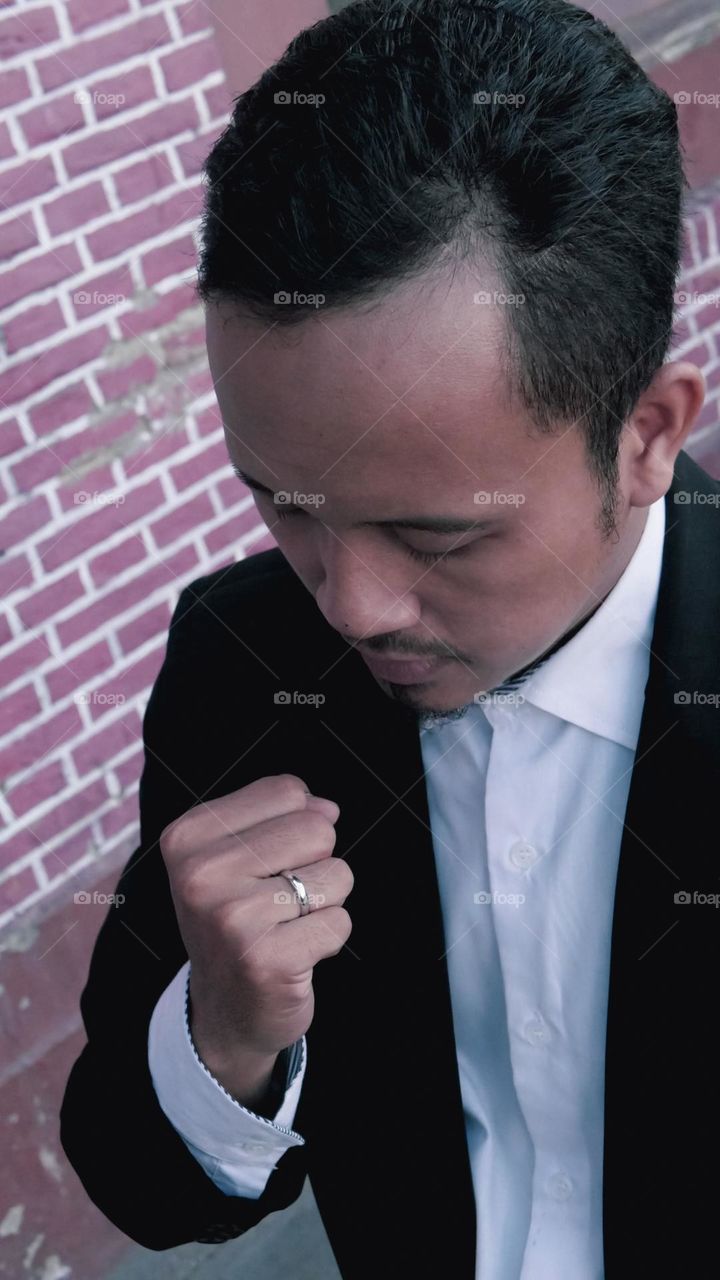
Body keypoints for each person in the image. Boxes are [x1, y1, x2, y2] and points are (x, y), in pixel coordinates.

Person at [60, 2, 720, 1276]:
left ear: (646, 433)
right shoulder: (240, 664)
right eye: (281, 503)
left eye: (438, 535)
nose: (348, 606)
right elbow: (145, 1188)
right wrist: (224, 1033)